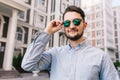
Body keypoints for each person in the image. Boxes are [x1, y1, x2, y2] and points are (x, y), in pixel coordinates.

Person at [21, 6, 120, 80]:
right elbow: (27, 65)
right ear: (63, 26)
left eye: (76, 22)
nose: (71, 26)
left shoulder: (101, 57)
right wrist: (47, 32)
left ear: (84, 25)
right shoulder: (54, 54)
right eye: (67, 23)